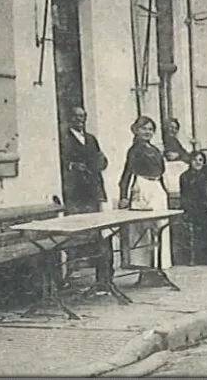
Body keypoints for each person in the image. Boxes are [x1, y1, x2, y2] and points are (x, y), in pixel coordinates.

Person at [59, 107, 111, 285]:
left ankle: (99, 275)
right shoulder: (64, 138)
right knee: (76, 232)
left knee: (96, 232)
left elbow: (99, 158)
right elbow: (62, 162)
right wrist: (73, 166)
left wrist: (102, 162)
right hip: (76, 192)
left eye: (82, 116)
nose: (79, 119)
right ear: (69, 119)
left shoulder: (90, 139)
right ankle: (73, 271)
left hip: (92, 190)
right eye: (75, 116)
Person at [117, 115, 172, 282]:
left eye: (150, 129)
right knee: (144, 230)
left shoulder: (154, 150)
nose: (147, 132)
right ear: (136, 130)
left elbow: (161, 172)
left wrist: (164, 191)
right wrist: (124, 196)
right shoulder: (135, 150)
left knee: (160, 227)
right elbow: (126, 174)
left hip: (156, 189)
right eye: (144, 128)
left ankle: (158, 266)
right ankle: (145, 270)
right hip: (142, 187)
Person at [179, 151, 207, 264]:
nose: (198, 163)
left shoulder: (206, 176)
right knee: (201, 223)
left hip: (205, 207)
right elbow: (186, 196)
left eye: (200, 160)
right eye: (195, 160)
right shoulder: (185, 176)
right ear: (190, 161)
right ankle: (199, 257)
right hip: (192, 208)